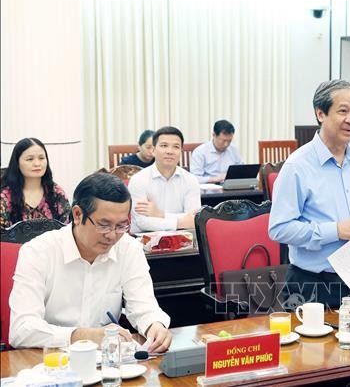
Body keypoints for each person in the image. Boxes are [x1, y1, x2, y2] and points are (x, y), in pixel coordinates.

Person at [9, 172, 172, 350]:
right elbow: (21, 329)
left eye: (121, 226)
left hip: (108, 358)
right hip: (51, 358)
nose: (112, 235)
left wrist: (155, 326)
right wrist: (82, 336)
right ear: (78, 215)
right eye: (104, 225)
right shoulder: (38, 252)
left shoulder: (128, 248)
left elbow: (144, 306)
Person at [269, 79, 350, 309]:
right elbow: (279, 228)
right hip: (313, 284)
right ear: (320, 113)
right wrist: (337, 230)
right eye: (343, 111)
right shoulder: (297, 166)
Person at [128, 126, 200, 233]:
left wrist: (160, 214)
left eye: (176, 147)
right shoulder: (138, 180)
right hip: (145, 239)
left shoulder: (191, 180)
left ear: (181, 151)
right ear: (153, 150)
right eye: (164, 145)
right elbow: (142, 222)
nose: (170, 151)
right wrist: (179, 223)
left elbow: (193, 218)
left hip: (183, 238)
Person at [0, 138, 71, 228]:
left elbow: (67, 228)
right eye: (30, 159)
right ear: (17, 163)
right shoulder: (5, 196)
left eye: (41, 158)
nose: (37, 164)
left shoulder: (56, 192)